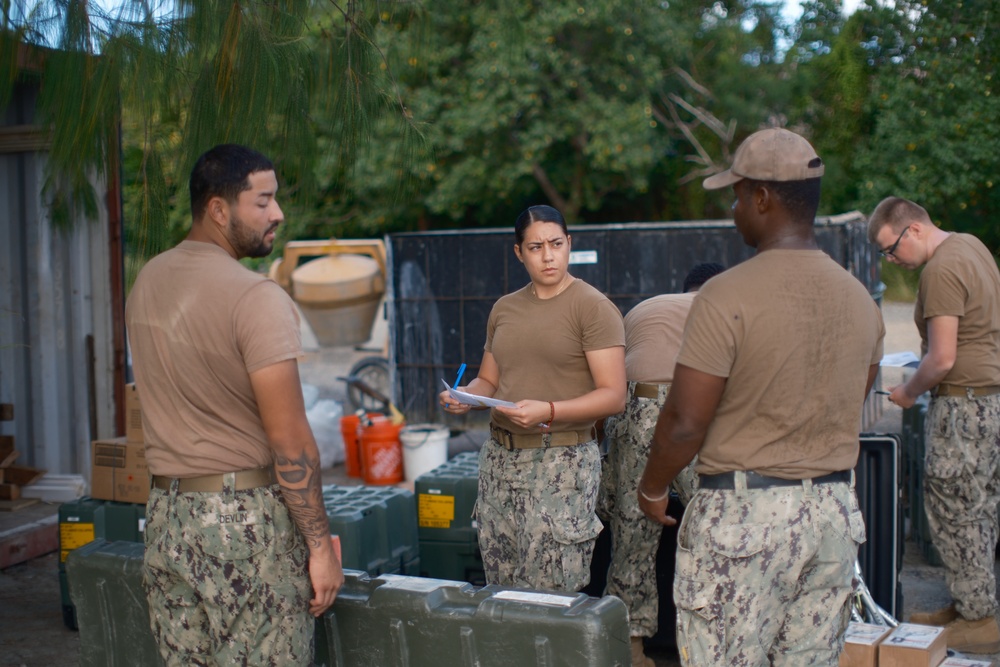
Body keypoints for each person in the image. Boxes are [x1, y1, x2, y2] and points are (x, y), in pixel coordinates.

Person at [638, 128, 885, 666]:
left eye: (737, 195)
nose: (733, 209)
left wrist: (653, 488)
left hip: (743, 519)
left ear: (763, 199)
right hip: (834, 517)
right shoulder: (860, 299)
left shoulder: (726, 293)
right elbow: (853, 399)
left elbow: (683, 421)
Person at [126, 144, 343, 666]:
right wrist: (319, 549)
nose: (278, 214)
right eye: (263, 201)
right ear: (219, 210)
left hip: (165, 518)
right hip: (243, 525)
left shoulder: (148, 280)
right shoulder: (255, 297)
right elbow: (290, 440)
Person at [438, 204, 626, 592]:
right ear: (519, 252)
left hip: (561, 463)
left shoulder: (592, 307)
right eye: (536, 246)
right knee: (501, 591)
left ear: (569, 244)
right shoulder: (505, 308)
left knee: (551, 595)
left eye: (556, 244)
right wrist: (465, 397)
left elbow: (614, 396)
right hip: (500, 462)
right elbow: (488, 380)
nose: (548, 255)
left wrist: (551, 410)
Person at [868, 196, 1000, 654]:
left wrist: (908, 392)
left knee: (954, 510)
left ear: (915, 229)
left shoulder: (941, 269)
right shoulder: (972, 245)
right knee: (977, 508)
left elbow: (942, 358)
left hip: (962, 409)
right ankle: (971, 605)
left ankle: (980, 620)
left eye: (891, 248)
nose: (892, 261)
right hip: (986, 401)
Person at [600, 261, 725, 667]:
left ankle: (630, 649)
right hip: (690, 405)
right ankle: (714, 643)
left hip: (634, 408)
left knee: (633, 535)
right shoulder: (721, 307)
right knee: (715, 529)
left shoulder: (645, 307)